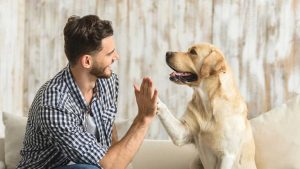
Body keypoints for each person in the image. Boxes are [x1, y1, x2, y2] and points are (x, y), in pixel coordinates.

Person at [17, 15, 158, 169]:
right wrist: (143, 118)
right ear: (87, 61)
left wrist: (120, 160)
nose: (116, 57)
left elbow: (109, 133)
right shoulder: (53, 103)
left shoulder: (108, 82)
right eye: (109, 53)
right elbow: (110, 164)